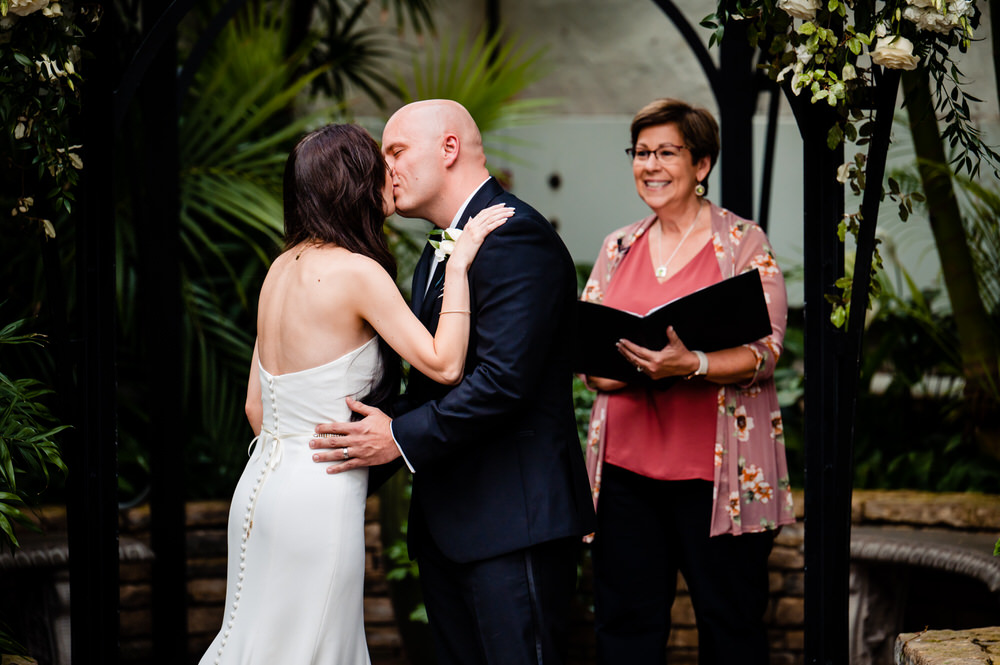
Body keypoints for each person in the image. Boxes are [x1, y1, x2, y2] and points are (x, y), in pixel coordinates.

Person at [198, 123, 512, 665]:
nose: (390, 174)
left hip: (261, 487)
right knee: (313, 648)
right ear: (353, 184)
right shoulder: (357, 271)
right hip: (320, 491)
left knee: (253, 642)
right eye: (378, 164)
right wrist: (459, 263)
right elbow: (445, 363)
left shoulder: (280, 268)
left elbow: (256, 407)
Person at [309, 99, 596, 665]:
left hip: (513, 526)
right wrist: (334, 461)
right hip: (448, 526)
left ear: (449, 148)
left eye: (396, 151)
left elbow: (501, 384)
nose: (384, 168)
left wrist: (399, 438)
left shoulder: (517, 238)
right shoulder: (437, 253)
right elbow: (429, 385)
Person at [580, 98, 794, 665]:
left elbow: (767, 349)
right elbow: (587, 357)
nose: (650, 165)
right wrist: (644, 369)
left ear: (701, 165)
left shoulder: (743, 243)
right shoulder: (616, 246)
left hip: (714, 478)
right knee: (624, 629)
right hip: (625, 477)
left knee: (732, 628)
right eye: (641, 152)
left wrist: (691, 364)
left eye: (666, 152)